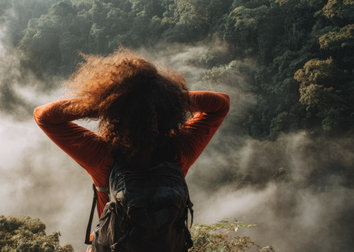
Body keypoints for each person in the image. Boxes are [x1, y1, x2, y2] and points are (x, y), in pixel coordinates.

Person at [33, 48, 230, 250]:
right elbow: (221, 103)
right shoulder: (179, 152)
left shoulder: (103, 157)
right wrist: (164, 99)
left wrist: (108, 103)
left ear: (115, 118)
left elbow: (44, 116)